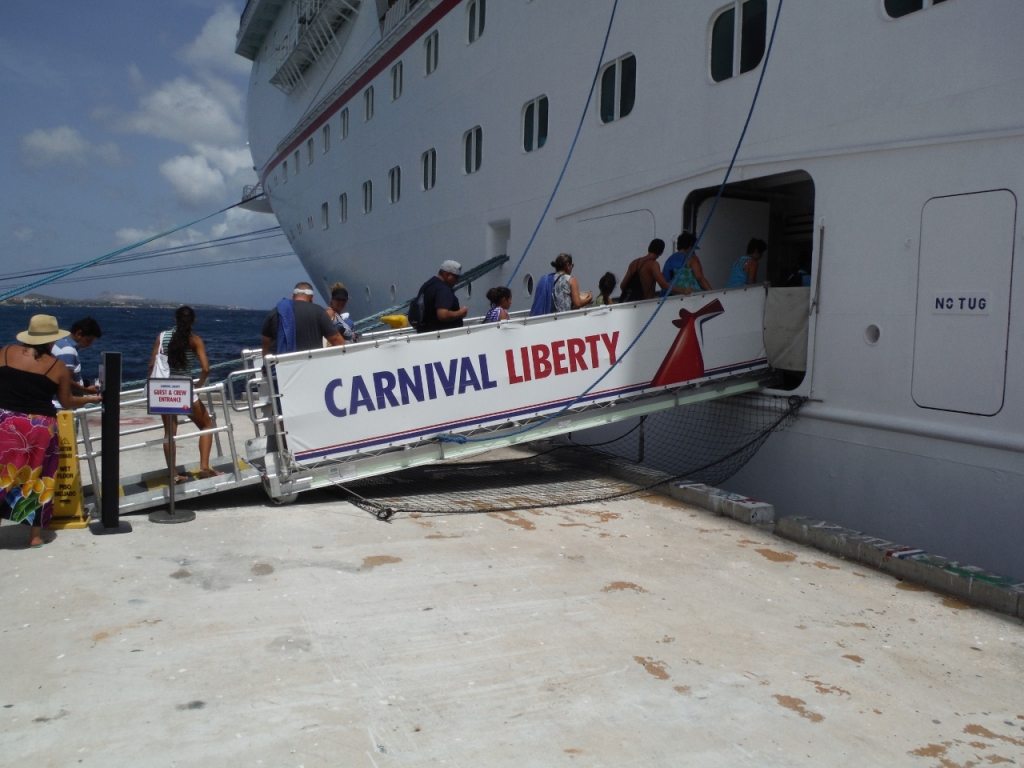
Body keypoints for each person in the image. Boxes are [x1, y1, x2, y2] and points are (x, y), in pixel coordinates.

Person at [0, 315, 102, 547]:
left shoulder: (5, 352)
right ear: (51, 340)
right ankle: (34, 536)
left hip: (4, 421)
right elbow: (66, 401)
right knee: (38, 477)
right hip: (38, 427)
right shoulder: (56, 367)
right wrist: (89, 399)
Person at [149, 306, 222, 483]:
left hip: (163, 388)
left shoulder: (162, 337)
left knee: (169, 433)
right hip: (184, 388)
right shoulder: (195, 340)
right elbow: (205, 368)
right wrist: (197, 384)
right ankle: (204, 467)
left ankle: (174, 475)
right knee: (206, 425)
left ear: (175, 319)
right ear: (193, 321)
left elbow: (152, 365)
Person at [261, 282, 344, 354]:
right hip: (312, 365)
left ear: (292, 297)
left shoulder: (276, 312)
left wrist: (266, 367)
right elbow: (335, 338)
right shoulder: (319, 312)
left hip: (281, 367)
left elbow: (266, 342)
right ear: (312, 298)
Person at [50, 317, 102, 409]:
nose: (89, 345)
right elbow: (66, 382)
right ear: (79, 334)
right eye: (88, 340)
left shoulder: (60, 343)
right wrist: (87, 390)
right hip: (65, 406)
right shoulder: (68, 350)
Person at [620, 239, 691, 301]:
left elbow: (622, 285)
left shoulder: (634, 263)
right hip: (646, 303)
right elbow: (664, 285)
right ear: (661, 252)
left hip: (632, 303)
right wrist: (683, 291)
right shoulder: (653, 265)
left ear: (649, 248)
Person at [413, 260, 469, 333]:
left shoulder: (428, 285)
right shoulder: (443, 290)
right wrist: (460, 313)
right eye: (456, 277)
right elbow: (443, 315)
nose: (457, 280)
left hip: (426, 332)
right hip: (441, 337)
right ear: (447, 274)